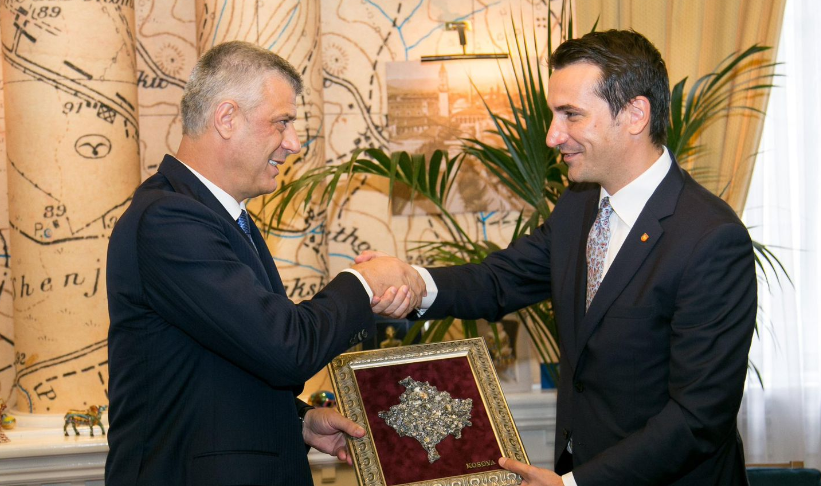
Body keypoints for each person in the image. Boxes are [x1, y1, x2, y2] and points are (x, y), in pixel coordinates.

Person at [358, 30, 757, 485]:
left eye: (571, 114)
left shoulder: (711, 238)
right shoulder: (579, 204)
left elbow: (698, 417)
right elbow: (500, 280)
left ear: (635, 114)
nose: (552, 135)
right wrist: (414, 282)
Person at [105, 41, 423, 485]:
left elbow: (226, 362)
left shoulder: (216, 215)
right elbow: (286, 347)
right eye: (282, 122)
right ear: (227, 118)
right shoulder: (169, 219)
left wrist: (298, 420)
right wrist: (363, 282)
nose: (293, 144)